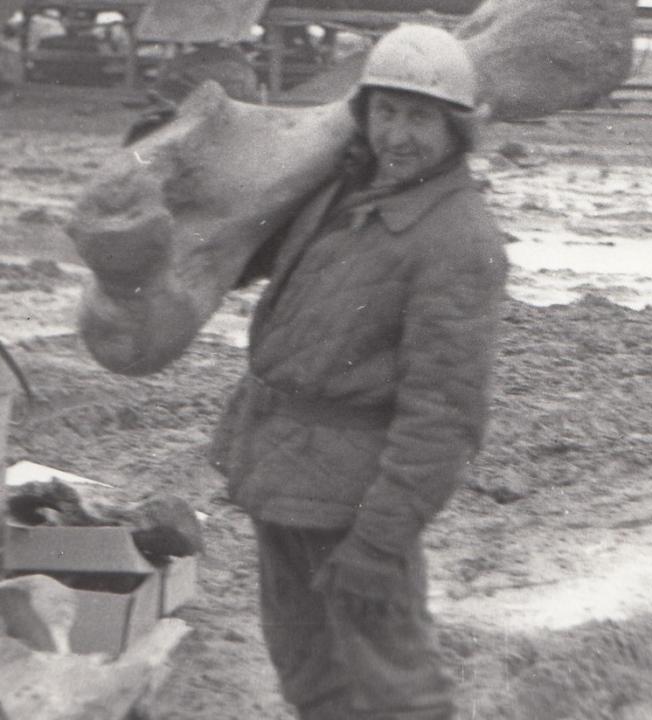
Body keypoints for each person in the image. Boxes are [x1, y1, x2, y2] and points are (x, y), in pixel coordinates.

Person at [209, 23, 508, 720]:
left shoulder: (460, 240)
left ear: (456, 128)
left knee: (396, 691)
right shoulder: (339, 193)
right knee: (308, 672)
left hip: (355, 505)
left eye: (419, 117)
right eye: (387, 112)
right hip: (282, 475)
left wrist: (380, 543)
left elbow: (445, 415)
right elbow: (244, 259)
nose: (398, 135)